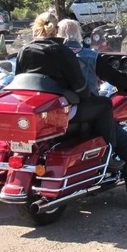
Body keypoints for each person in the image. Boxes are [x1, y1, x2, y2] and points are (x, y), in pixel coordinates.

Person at [57, 18, 127, 209]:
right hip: (86, 115)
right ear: (79, 35)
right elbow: (117, 78)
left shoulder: (52, 56)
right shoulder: (88, 56)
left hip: (59, 115)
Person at [16, 12, 120, 166]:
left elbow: (19, 80)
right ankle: (108, 156)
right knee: (104, 104)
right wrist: (88, 96)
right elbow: (79, 86)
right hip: (62, 109)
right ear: (56, 28)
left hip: (33, 109)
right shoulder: (62, 51)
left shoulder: (24, 51)